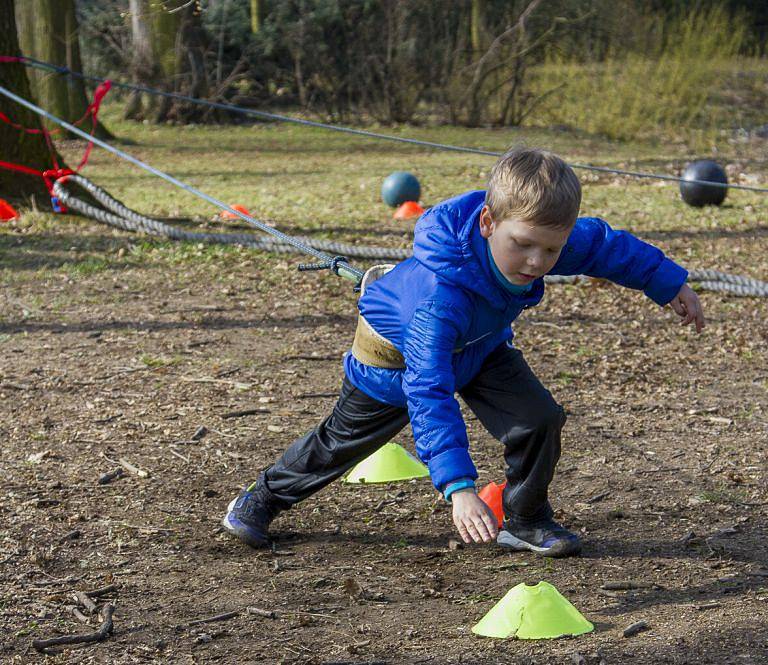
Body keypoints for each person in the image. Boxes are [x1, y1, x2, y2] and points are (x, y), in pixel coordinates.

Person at [222, 147, 705, 557]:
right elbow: (428, 389)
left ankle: (526, 518)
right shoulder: (440, 301)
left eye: (551, 250)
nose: (537, 263)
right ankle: (262, 497)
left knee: (538, 419)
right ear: (488, 221)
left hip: (478, 348)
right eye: (524, 246)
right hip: (396, 364)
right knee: (337, 446)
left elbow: (605, 247)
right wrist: (459, 488)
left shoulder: (536, 233)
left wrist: (669, 284)